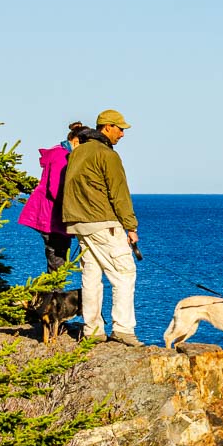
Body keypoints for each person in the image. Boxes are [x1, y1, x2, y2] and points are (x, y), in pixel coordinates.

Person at [61, 108, 142, 345]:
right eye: (120, 128)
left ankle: (92, 329)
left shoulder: (77, 153)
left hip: (79, 223)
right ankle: (123, 329)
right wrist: (131, 227)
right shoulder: (108, 155)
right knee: (124, 273)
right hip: (103, 222)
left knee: (91, 275)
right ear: (107, 127)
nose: (122, 134)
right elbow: (119, 193)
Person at [18, 122, 89, 272]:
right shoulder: (61, 156)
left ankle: (54, 292)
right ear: (76, 141)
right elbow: (56, 188)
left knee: (58, 258)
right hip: (51, 216)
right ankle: (53, 294)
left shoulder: (61, 153)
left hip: (52, 215)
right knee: (57, 260)